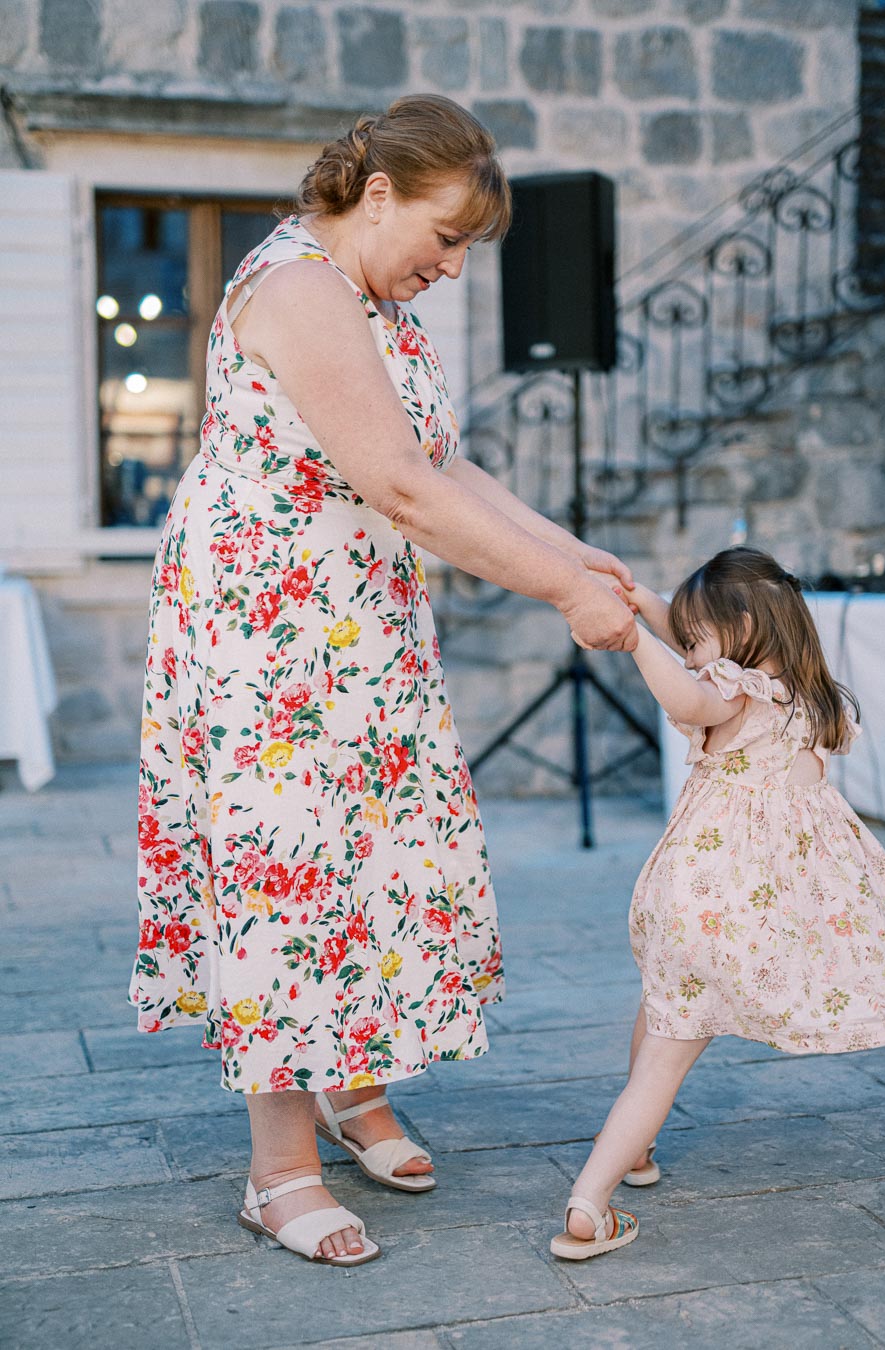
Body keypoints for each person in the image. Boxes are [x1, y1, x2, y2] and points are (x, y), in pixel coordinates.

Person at [129, 93, 638, 1267]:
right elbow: (399, 492)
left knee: (362, 853)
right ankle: (278, 1169)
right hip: (273, 640)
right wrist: (561, 598)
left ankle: (352, 1096)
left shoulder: (374, 299)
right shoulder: (301, 289)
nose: (454, 267)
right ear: (377, 195)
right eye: (447, 237)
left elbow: (442, 463)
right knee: (290, 868)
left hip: (358, 631)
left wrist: (572, 551)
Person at [551, 546, 885, 1261]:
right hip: (764, 917)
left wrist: (637, 638)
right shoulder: (812, 700)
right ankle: (616, 1170)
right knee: (667, 1027)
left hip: (696, 898)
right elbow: (702, 658)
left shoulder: (730, 692)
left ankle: (596, 1191)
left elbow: (689, 695)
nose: (688, 650)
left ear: (739, 630)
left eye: (697, 638)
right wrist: (645, 602)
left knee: (661, 1038)